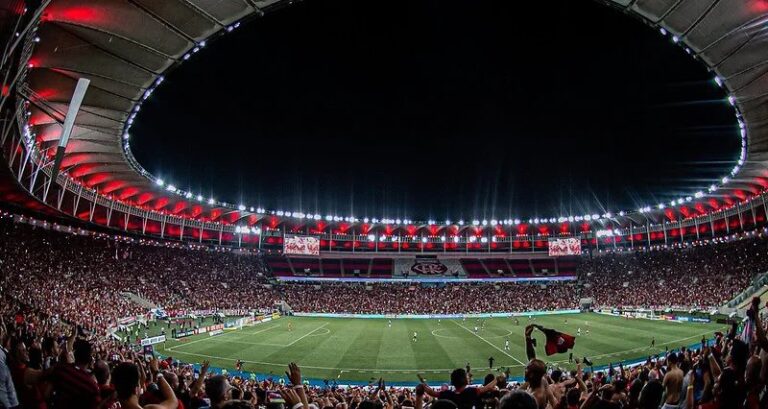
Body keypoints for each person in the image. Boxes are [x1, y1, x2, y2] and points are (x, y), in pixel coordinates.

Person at [111, 362, 178, 409]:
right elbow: (173, 401)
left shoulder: (108, 404)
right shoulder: (150, 408)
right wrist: (157, 372)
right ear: (136, 389)